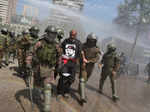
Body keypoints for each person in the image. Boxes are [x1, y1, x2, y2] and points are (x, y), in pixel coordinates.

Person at [27, 25, 59, 112]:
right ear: (47, 33)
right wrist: (28, 63)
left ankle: (47, 108)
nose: (52, 36)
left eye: (54, 34)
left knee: (48, 86)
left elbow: (59, 56)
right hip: (38, 67)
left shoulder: (56, 45)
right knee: (37, 85)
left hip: (49, 68)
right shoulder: (39, 42)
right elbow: (31, 53)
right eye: (51, 33)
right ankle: (37, 96)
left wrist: (59, 67)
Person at [57, 29, 82, 98]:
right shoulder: (65, 41)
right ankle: (59, 91)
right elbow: (60, 49)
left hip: (73, 64)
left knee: (71, 79)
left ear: (76, 35)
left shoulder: (78, 43)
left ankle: (66, 91)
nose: (72, 36)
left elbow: (80, 54)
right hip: (65, 63)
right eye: (71, 34)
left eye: (73, 35)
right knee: (63, 77)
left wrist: (80, 64)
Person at [79, 33, 101, 103]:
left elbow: (97, 58)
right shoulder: (83, 46)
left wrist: (88, 61)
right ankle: (82, 97)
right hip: (83, 66)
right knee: (83, 79)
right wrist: (82, 60)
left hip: (90, 67)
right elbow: (79, 53)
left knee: (86, 79)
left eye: (93, 40)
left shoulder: (96, 49)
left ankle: (80, 89)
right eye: (90, 40)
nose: (91, 42)